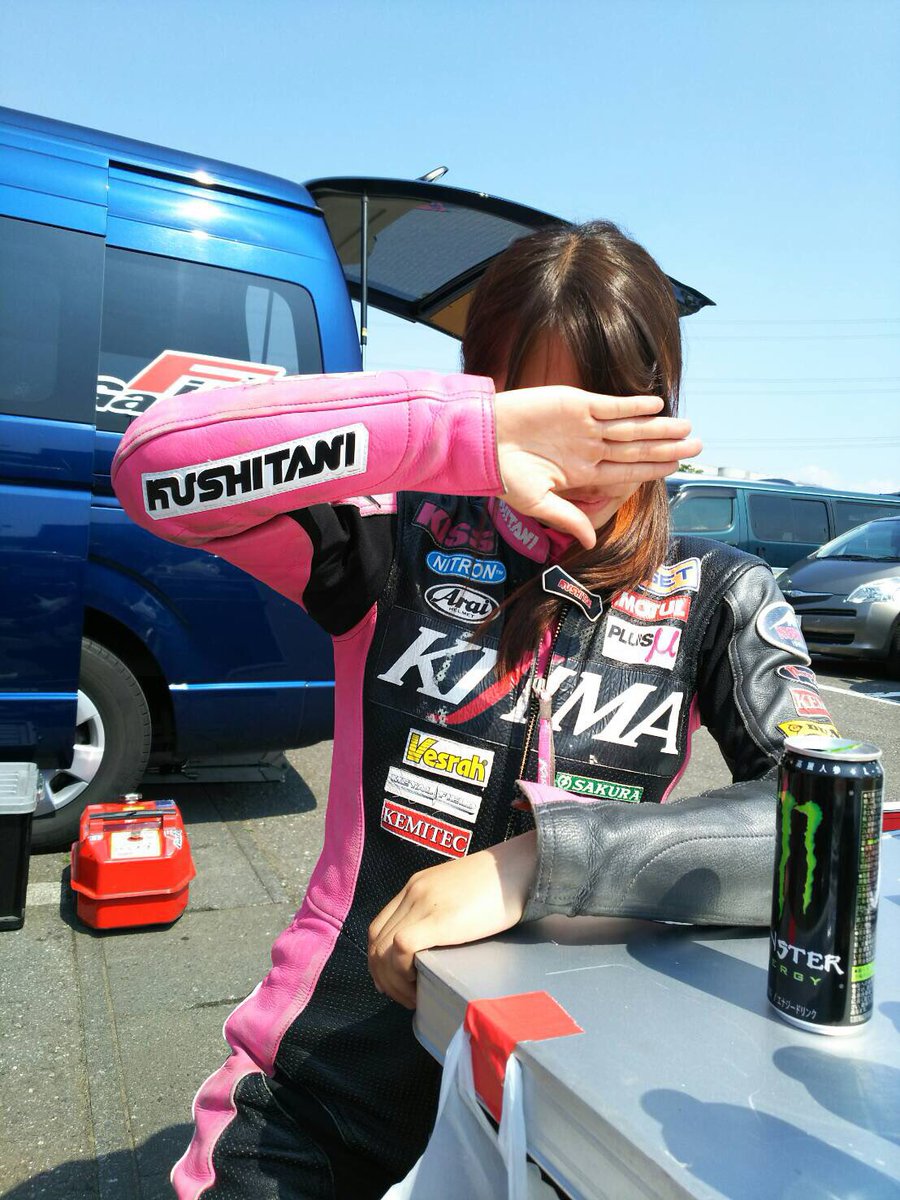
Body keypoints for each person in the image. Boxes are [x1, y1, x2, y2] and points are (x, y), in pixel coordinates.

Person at [111, 220, 830, 1200]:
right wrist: (463, 437)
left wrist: (534, 865)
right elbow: (152, 468)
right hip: (321, 1088)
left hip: (556, 1111)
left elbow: (826, 820)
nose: (579, 457)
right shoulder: (395, 527)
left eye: (609, 411)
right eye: (544, 410)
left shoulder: (720, 592)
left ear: (661, 406)